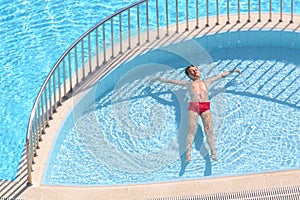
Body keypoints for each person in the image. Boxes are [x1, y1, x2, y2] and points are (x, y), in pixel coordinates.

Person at [152, 65, 241, 162]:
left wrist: (232, 71)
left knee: (209, 130)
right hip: (193, 107)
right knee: (191, 131)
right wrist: (158, 79)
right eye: (192, 71)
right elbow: (171, 82)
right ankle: (188, 154)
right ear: (189, 76)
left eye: (196, 69)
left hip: (205, 106)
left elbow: (221, 75)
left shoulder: (207, 81)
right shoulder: (188, 84)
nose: (195, 71)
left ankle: (213, 152)